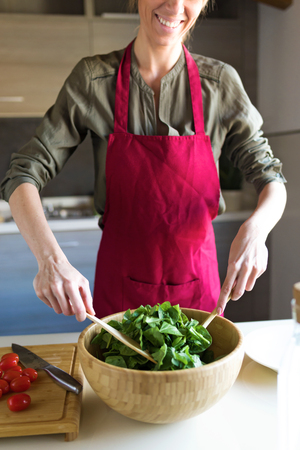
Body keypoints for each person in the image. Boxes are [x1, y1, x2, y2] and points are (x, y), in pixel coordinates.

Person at [0, 0, 286, 323]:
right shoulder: (94, 80)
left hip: (197, 307)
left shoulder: (220, 85)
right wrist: (49, 259)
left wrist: (257, 230)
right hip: (119, 307)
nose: (176, 5)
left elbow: (272, 180)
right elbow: (22, 173)